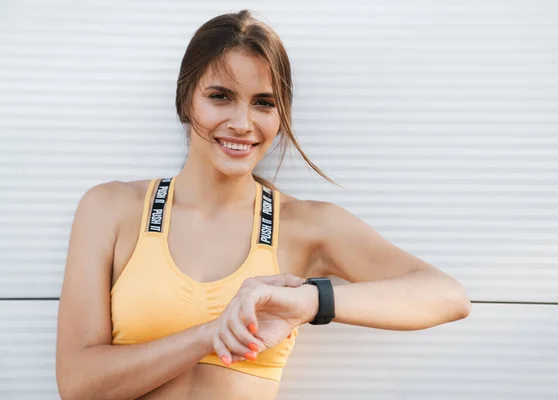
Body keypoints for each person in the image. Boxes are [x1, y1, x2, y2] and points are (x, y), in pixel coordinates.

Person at [55, 9, 471, 400]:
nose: (242, 122)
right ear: (185, 101)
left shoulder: (306, 225)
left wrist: (312, 301)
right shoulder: (110, 210)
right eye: (220, 96)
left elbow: (447, 295)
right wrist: (210, 334)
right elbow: (78, 383)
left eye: (263, 103)